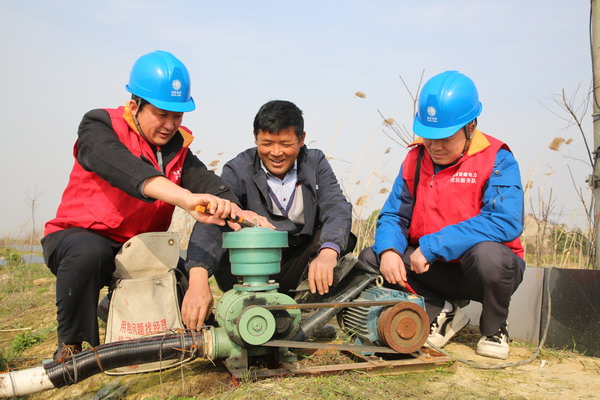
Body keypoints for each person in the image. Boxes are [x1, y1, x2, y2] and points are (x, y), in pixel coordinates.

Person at [42, 50, 268, 360]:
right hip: (81, 240)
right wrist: (186, 199)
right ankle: (73, 347)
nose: (169, 124)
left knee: (185, 283)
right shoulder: (99, 126)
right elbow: (127, 170)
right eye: (161, 114)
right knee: (88, 255)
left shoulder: (178, 150)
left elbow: (209, 184)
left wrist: (236, 210)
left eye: (177, 116)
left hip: (142, 249)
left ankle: (146, 323)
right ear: (134, 106)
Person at [359, 70, 525, 360]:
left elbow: (504, 220)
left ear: (470, 126)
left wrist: (433, 245)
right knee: (372, 258)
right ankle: (442, 310)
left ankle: (495, 328)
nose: (435, 146)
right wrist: (388, 250)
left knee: (490, 256)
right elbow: (394, 216)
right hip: (431, 267)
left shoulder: (497, 158)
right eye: (428, 137)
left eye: (445, 138)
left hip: (480, 270)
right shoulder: (415, 159)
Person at [186, 100, 355, 300]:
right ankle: (250, 302)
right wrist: (198, 278)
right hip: (248, 268)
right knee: (222, 217)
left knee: (341, 240)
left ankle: (308, 304)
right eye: (266, 144)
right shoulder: (238, 169)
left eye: (285, 144)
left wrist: (328, 253)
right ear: (255, 138)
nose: (276, 153)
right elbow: (214, 215)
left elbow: (336, 206)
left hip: (295, 262)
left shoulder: (315, 163)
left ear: (301, 139)